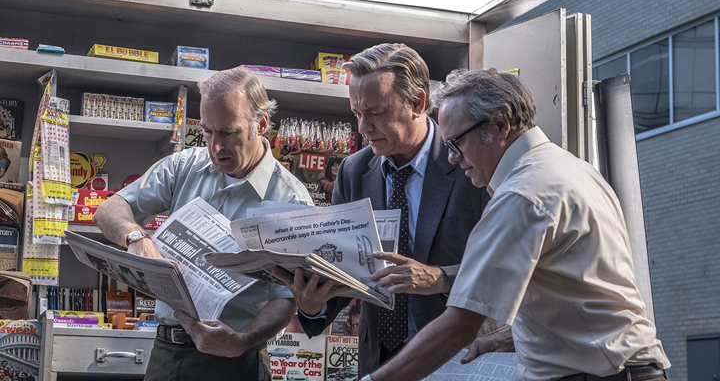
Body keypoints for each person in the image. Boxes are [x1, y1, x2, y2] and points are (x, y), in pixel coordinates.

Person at [362, 68, 671, 381]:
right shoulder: (574, 170)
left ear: (500, 126)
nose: (453, 158)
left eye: (457, 143)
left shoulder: (521, 195)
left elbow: (459, 325)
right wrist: (508, 339)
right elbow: (582, 295)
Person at [273, 43, 506, 377]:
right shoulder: (353, 172)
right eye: (357, 113)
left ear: (417, 103)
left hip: (460, 357)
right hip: (380, 358)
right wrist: (313, 305)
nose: (362, 127)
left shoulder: (470, 161)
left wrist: (439, 278)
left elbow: (506, 265)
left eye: (375, 112)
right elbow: (345, 269)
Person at [93, 66, 313, 381]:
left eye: (229, 132)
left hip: (235, 361)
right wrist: (137, 239)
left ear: (261, 124)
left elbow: (286, 298)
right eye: (208, 131)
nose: (215, 146)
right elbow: (108, 209)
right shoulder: (185, 165)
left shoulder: (290, 200)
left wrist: (242, 341)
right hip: (165, 352)